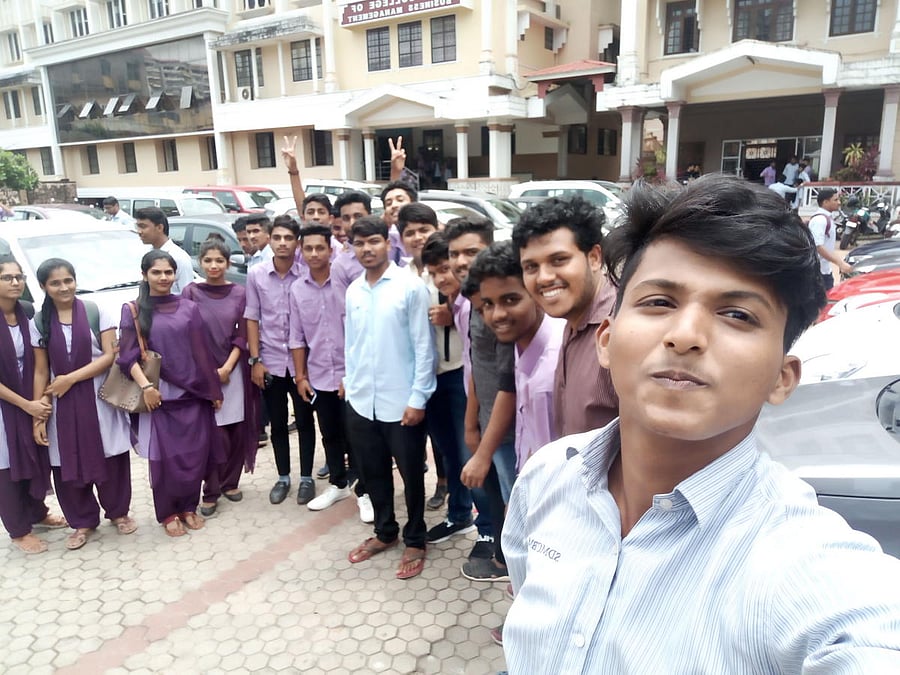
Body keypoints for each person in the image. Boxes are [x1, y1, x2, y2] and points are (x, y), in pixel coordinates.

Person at [502, 175, 900, 672]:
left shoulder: (807, 565)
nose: (685, 335)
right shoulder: (545, 479)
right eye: (659, 302)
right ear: (606, 339)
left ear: (782, 378)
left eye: (737, 314)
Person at [344, 216, 436, 580]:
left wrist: (417, 399)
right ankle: (385, 532)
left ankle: (416, 538)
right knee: (373, 471)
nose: (367, 249)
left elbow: (423, 347)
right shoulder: (353, 290)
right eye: (360, 243)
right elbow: (351, 344)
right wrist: (350, 387)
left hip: (402, 402)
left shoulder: (409, 287)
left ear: (388, 242)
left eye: (374, 241)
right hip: (362, 400)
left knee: (412, 473)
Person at [117, 250, 223, 537]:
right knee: (165, 461)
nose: (163, 278)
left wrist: (212, 389)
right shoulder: (134, 310)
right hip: (159, 399)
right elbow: (126, 357)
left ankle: (189, 507)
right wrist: (147, 388)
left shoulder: (188, 307)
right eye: (156, 272)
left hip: (193, 394)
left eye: (168, 272)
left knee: (195, 455)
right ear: (145, 275)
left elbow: (203, 353)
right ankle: (167, 513)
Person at [32, 259, 136, 550]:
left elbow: (107, 356)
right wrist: (38, 414)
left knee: (111, 456)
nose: (64, 287)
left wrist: (69, 379)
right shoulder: (39, 321)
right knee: (66, 459)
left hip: (97, 396)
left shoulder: (94, 311)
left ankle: (119, 513)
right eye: (55, 283)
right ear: (44, 287)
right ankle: (82, 521)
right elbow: (41, 370)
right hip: (61, 404)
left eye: (68, 280)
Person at [446, 216, 517, 580]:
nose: (461, 261)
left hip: (510, 430)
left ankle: (517, 580)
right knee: (507, 503)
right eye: (454, 253)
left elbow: (509, 384)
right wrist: (471, 421)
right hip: (489, 421)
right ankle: (508, 568)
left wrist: (484, 449)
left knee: (518, 510)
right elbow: (476, 364)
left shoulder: (501, 306)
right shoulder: (473, 300)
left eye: (471, 252)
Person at [513, 196, 618, 438]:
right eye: (531, 267)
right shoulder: (572, 321)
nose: (544, 277)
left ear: (594, 258)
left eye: (558, 260)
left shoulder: (622, 329)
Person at [420, 231, 494, 545]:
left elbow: (479, 363)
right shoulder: (453, 298)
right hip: (438, 379)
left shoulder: (472, 302)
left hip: (470, 387)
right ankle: (459, 514)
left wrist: (471, 417)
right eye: (433, 272)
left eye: (444, 269)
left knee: (473, 458)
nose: (440, 278)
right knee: (452, 455)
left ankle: (490, 532)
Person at [470, 241, 564, 472]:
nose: (497, 315)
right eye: (488, 305)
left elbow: (552, 468)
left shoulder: (549, 372)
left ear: (536, 294)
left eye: (510, 300)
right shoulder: (523, 347)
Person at [182, 240, 258, 517]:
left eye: (219, 261)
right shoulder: (190, 292)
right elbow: (187, 333)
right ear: (200, 262)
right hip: (202, 372)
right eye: (208, 260)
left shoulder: (239, 293)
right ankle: (210, 490)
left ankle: (230, 482)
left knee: (235, 429)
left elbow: (243, 334)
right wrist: (207, 371)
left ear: (228, 263)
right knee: (211, 434)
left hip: (234, 369)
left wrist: (227, 367)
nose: (214, 266)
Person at [245, 216, 316, 505]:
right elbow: (252, 317)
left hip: (303, 365)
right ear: (269, 240)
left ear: (297, 242)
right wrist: (255, 360)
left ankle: (307, 477)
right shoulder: (257, 274)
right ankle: (283, 476)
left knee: (306, 421)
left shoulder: (307, 273)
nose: (283, 243)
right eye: (278, 238)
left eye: (289, 238)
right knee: (276, 423)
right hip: (271, 362)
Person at [0, 255, 64, 553]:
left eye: (19, 277)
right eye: (7, 278)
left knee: (33, 455)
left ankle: (37, 512)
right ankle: (18, 530)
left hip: (30, 399)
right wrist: (26, 405)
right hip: (6, 406)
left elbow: (40, 362)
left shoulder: (27, 312)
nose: (15, 282)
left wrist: (39, 401)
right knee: (6, 466)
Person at [289, 224, 354, 513]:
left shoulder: (347, 284)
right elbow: (297, 337)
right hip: (318, 377)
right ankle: (339, 485)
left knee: (357, 436)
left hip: (352, 376)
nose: (314, 253)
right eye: (308, 248)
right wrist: (300, 376)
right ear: (301, 252)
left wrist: (352, 374)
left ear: (331, 250)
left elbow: (360, 331)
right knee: (330, 434)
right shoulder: (297, 289)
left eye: (320, 247)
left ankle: (363, 489)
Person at [397, 203, 450, 510]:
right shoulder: (401, 275)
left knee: (449, 441)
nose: (417, 237)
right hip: (414, 373)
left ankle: (449, 487)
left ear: (436, 229)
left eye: (424, 230)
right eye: (410, 232)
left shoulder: (447, 270)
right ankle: (433, 484)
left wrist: (451, 315)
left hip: (448, 369)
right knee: (422, 434)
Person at [134, 207, 194, 294]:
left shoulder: (178, 257)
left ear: (159, 228)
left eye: (143, 227)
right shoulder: (148, 253)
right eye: (138, 227)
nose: (139, 231)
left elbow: (187, 295)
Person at [808, 188, 851, 291]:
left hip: (824, 270)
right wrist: (840, 263)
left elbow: (828, 247)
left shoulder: (827, 218)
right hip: (818, 272)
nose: (839, 203)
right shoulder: (820, 220)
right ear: (825, 202)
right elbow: (818, 246)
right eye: (835, 200)